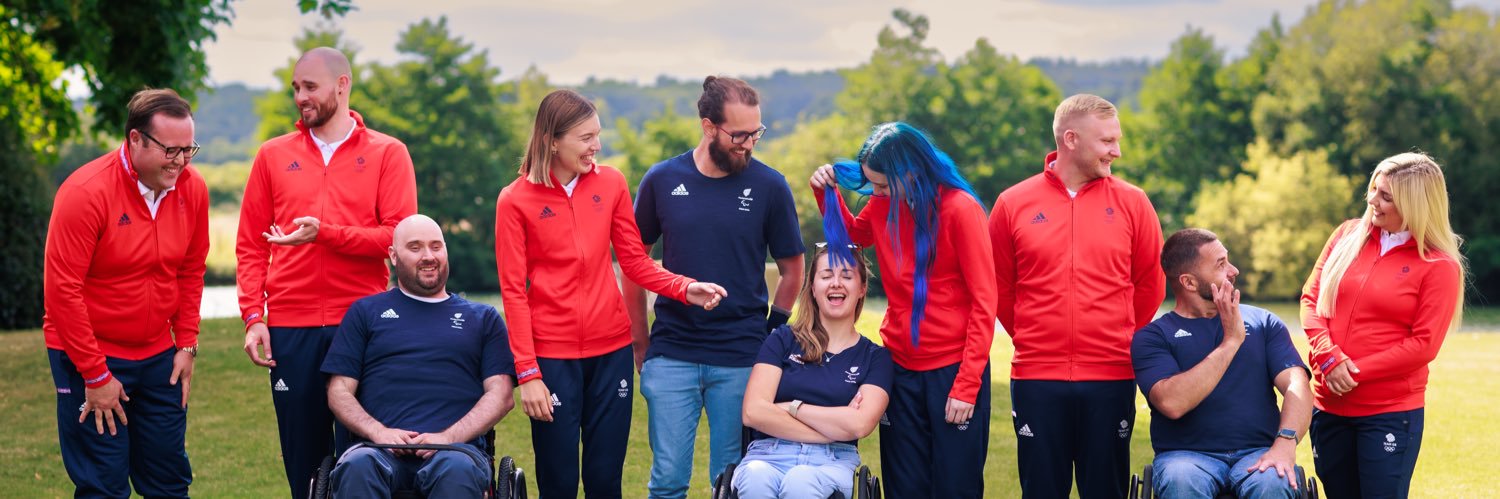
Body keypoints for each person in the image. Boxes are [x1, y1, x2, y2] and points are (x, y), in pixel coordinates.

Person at [494, 89, 727, 499]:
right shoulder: (514, 200)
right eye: (585, 138)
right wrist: (528, 374)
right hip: (552, 357)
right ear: (552, 140)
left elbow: (634, 261)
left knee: (605, 481)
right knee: (558, 483)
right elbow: (513, 292)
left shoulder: (612, 182)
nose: (596, 146)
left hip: (611, 352)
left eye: (597, 135)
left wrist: (683, 287)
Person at [236, 46, 418, 498]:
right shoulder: (272, 155)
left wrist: (326, 234)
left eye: (310, 87)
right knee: (304, 463)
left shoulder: (388, 153)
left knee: (365, 458)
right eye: (296, 88)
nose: (301, 97)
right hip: (290, 327)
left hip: (362, 324)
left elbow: (398, 239)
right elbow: (251, 245)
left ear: (342, 85)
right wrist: (253, 317)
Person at [623, 75, 805, 499]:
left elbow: (793, 269)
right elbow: (633, 263)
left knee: (733, 481)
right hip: (672, 353)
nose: (749, 144)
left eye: (756, 133)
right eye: (739, 135)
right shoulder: (661, 180)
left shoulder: (770, 185)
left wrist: (772, 332)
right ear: (708, 126)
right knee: (667, 481)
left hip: (742, 356)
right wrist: (639, 340)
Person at [988, 93, 1165, 498]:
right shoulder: (1012, 203)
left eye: (1116, 140)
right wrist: (1034, 336)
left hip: (1111, 376)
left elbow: (1150, 284)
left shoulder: (1134, 203)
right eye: (1106, 141)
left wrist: (1116, 335)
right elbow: (999, 287)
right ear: (1071, 139)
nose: (1116, 151)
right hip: (1036, 378)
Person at [810, 121, 997, 498]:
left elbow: (985, 301)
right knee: (904, 487)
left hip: (953, 370)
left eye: (882, 185)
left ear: (910, 172)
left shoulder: (960, 209)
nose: (875, 194)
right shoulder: (885, 204)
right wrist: (825, 194)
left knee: (955, 487)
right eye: (872, 185)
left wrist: (967, 384)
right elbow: (854, 237)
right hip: (898, 367)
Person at [43, 88, 208, 498]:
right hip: (89, 353)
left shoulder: (192, 188)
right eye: (170, 150)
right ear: (135, 139)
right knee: (104, 484)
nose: (180, 162)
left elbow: (190, 270)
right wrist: (95, 375)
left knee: (169, 480)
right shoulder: (85, 192)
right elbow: (62, 291)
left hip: (158, 355)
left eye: (188, 150)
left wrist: (187, 343)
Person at [1300, 152, 1464, 499]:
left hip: (1388, 412)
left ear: (1415, 204)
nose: (1372, 200)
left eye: (1386, 196)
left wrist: (1352, 371)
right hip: (1328, 405)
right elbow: (1311, 300)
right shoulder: (1346, 235)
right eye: (1374, 189)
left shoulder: (1438, 265)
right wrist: (1328, 357)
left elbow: (1423, 345)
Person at [321, 215, 515, 498]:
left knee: (456, 471)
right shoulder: (365, 313)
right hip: (376, 450)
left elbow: (502, 395)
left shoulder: (483, 318)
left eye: (436, 246)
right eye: (415, 247)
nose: (428, 256)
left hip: (456, 451)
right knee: (357, 466)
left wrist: (448, 438)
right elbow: (338, 390)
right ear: (393, 256)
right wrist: (378, 432)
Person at [1132, 228, 1313, 498]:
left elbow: (1297, 385)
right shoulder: (1153, 337)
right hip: (1185, 458)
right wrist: (1231, 342)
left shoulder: (1264, 323)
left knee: (1273, 482)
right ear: (1189, 282)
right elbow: (1172, 402)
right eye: (1220, 264)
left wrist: (1285, 443)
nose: (1233, 270)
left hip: (1258, 454)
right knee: (1181, 482)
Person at [734, 244, 891, 498]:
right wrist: (832, 429)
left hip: (832, 461)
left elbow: (860, 424)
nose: (836, 283)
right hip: (768, 454)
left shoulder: (875, 357)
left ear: (862, 288)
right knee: (755, 476)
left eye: (847, 276)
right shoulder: (782, 339)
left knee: (801, 479)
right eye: (826, 276)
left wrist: (793, 407)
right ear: (813, 288)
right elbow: (753, 412)